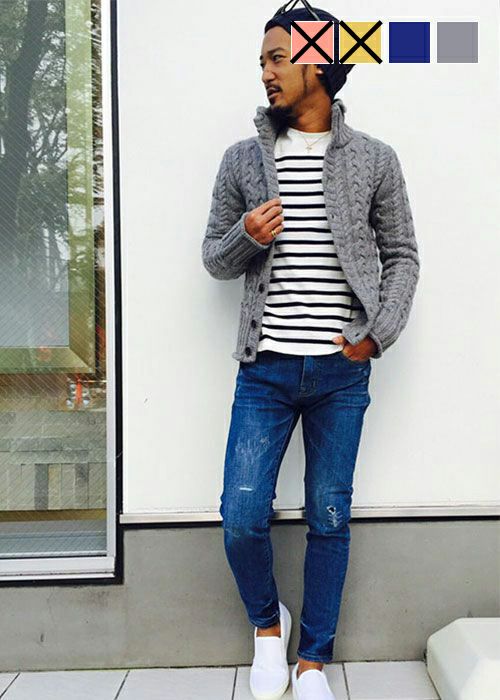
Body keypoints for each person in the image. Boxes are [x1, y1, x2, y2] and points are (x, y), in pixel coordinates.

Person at [201, 5, 420, 699]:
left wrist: (377, 333)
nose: (265, 73)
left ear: (318, 63)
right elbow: (213, 259)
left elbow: (402, 255)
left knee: (329, 515)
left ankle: (313, 662)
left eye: (277, 58)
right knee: (241, 515)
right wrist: (246, 235)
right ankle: (269, 628)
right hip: (264, 368)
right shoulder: (242, 160)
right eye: (261, 61)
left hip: (339, 374)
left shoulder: (375, 159)